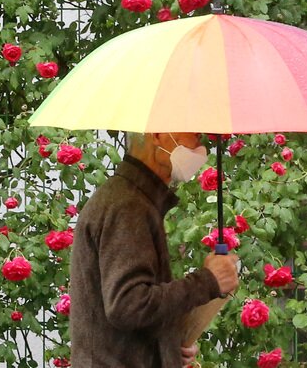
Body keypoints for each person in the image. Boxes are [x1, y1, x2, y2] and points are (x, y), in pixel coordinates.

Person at [69, 131, 240, 367]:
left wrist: (168, 343)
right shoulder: (128, 206)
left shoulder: (131, 199)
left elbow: (131, 317)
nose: (200, 140)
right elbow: (128, 305)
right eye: (192, 129)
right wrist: (208, 281)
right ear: (158, 134)